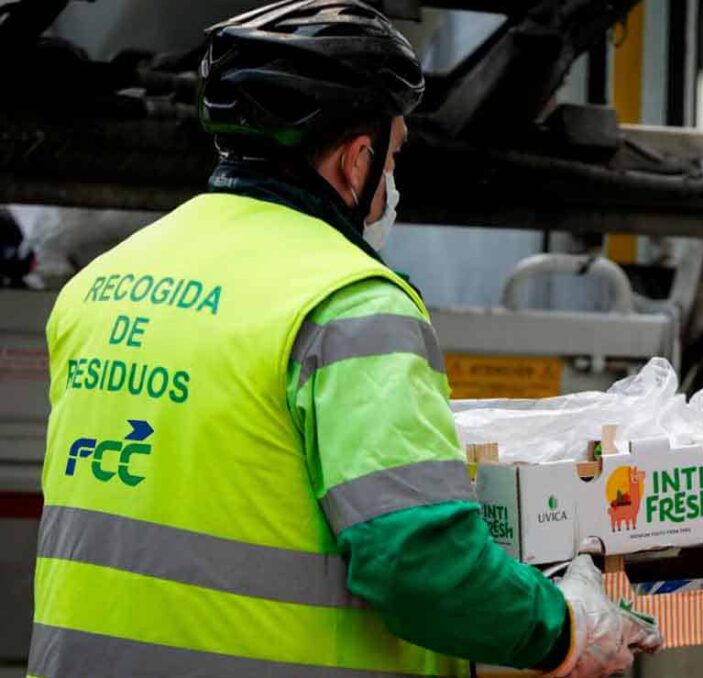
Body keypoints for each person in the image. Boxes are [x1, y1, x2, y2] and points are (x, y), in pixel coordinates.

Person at [28, 2, 661, 676]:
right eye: (394, 154)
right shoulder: (348, 303)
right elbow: (419, 565)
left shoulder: (102, 284)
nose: (390, 180)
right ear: (358, 160)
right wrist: (563, 630)